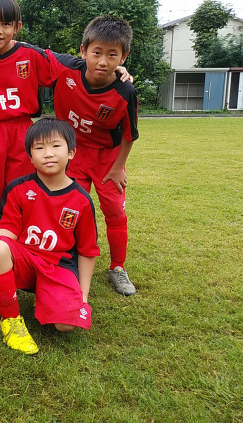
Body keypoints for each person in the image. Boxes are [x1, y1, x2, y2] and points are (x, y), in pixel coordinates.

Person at [0, 0, 130, 285]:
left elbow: (73, 65)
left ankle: (24, 253)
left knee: (25, 196)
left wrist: (113, 70)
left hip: (22, 132)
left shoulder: (31, 55)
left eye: (6, 24)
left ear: (18, 27)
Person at [0, 118, 100, 354]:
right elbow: (9, 231)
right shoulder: (18, 188)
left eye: (56, 146)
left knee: (65, 325)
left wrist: (83, 295)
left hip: (59, 266)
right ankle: (11, 320)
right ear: (30, 156)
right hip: (25, 259)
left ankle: (50, 296)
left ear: (71, 152)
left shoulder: (81, 200)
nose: (48, 154)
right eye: (39, 148)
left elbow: (87, 251)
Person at [46, 15, 139, 296]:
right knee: (71, 208)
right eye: (96, 52)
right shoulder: (64, 69)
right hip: (73, 154)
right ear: (83, 50)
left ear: (124, 56)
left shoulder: (125, 91)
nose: (102, 61)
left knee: (113, 210)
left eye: (112, 55)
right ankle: (67, 260)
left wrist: (118, 167)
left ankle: (118, 267)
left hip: (107, 160)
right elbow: (26, 49)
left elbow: (129, 134)